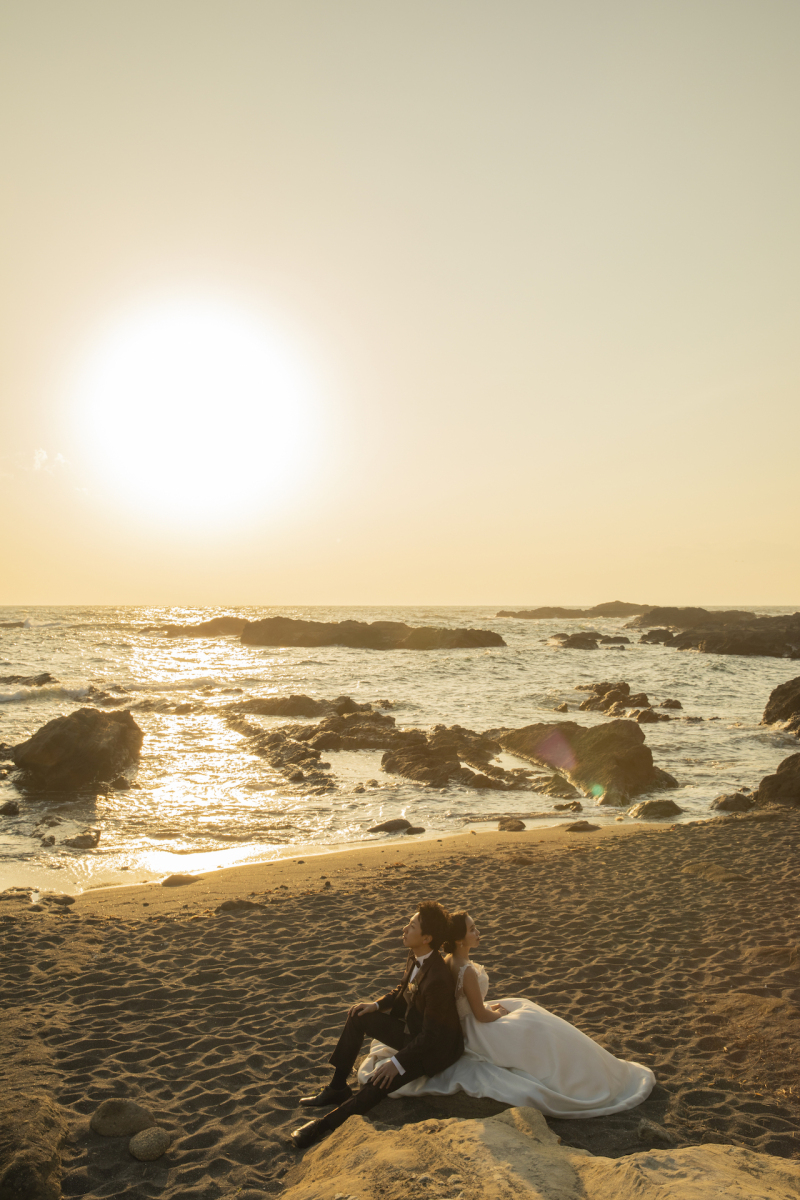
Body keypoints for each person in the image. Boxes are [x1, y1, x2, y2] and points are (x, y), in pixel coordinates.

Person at [358, 911, 655, 1118]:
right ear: (460, 939)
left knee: (529, 1013)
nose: (478, 933)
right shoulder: (465, 970)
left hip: (465, 1019)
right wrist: (497, 1013)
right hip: (475, 1027)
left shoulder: (447, 960)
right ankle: (582, 1074)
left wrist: (495, 1009)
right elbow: (480, 1015)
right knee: (537, 1026)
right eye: (473, 929)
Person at [290, 901, 464, 1149]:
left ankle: (323, 1126)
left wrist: (397, 1062)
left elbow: (432, 1036)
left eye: (411, 925)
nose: (404, 928)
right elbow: (403, 989)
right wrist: (375, 1005)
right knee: (358, 1015)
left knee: (380, 1080)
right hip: (413, 1032)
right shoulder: (416, 955)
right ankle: (337, 1088)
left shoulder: (438, 979)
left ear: (427, 938)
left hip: (432, 1050)